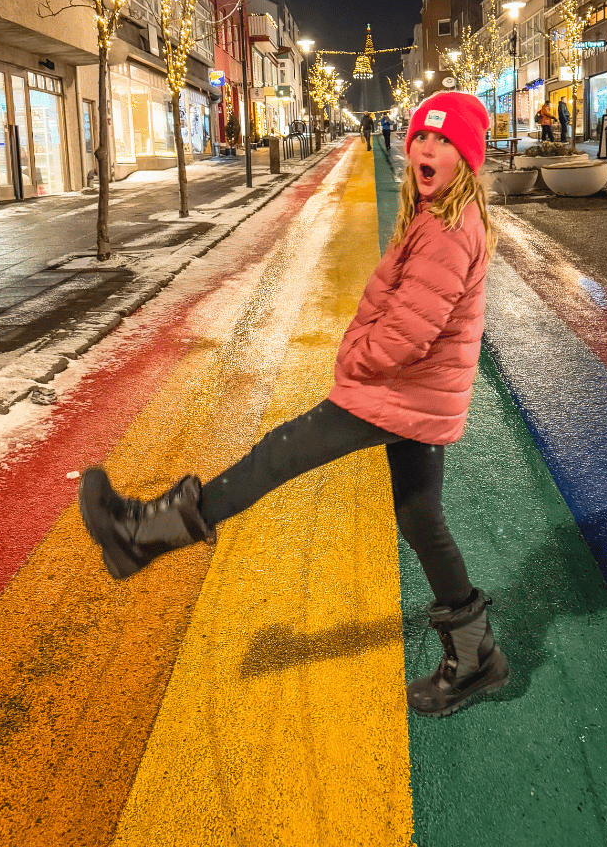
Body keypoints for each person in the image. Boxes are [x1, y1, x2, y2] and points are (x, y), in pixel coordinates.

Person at [79, 91, 509, 719]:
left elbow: (410, 332)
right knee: (419, 517)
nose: (426, 149)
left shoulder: (445, 228)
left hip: (401, 390)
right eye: (421, 137)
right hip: (422, 395)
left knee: (278, 453)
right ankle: (477, 660)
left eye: (444, 141)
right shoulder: (438, 215)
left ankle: (143, 535)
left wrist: (357, 354)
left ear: (466, 159)